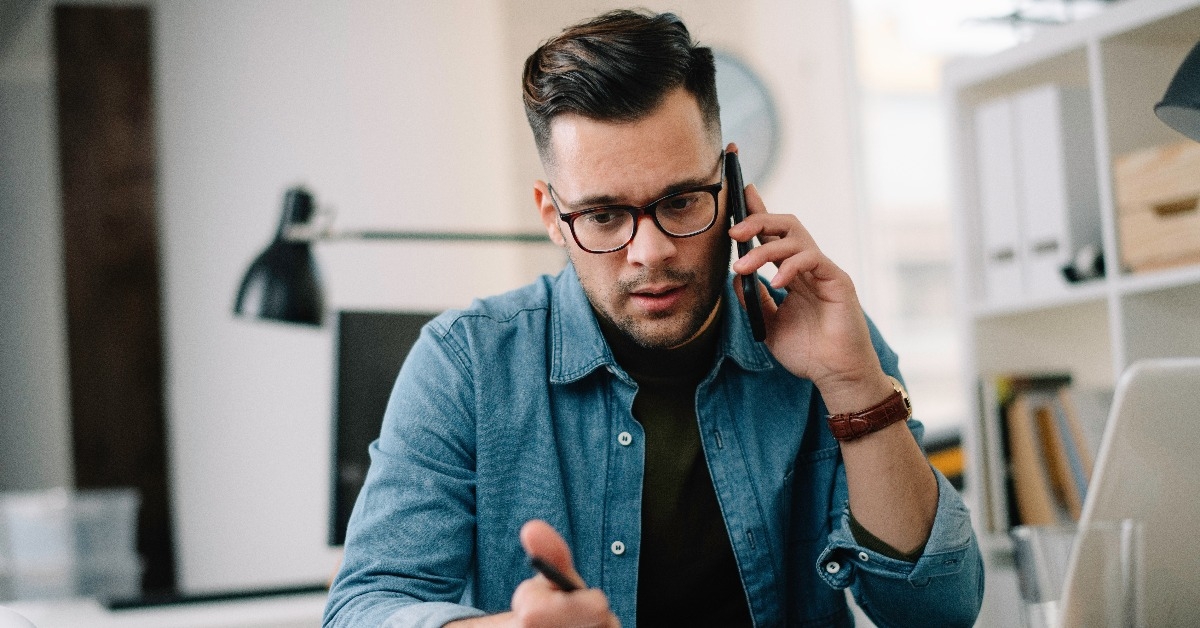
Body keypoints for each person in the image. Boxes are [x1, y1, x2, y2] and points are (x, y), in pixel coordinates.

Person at [324, 9, 983, 628]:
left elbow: (939, 612)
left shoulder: (833, 342)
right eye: (604, 215)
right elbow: (362, 606)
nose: (652, 251)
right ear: (553, 216)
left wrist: (854, 387)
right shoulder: (464, 365)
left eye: (681, 200)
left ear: (729, 182)